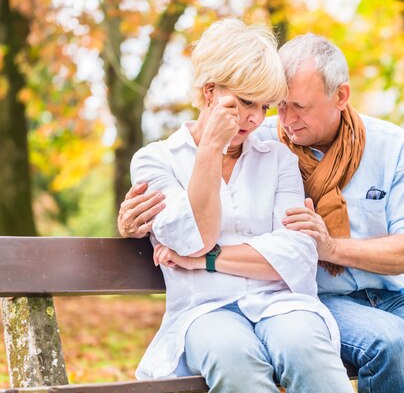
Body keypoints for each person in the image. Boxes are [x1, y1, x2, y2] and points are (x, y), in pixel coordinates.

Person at [120, 32, 404, 392]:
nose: (281, 121)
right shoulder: (263, 139)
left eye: (296, 107)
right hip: (317, 299)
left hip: (385, 295)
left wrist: (328, 247)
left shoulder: (387, 146)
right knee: (387, 341)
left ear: (341, 97)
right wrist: (134, 220)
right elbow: (180, 222)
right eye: (280, 106)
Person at [129, 19, 354, 393]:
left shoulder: (279, 159)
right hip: (204, 310)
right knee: (234, 358)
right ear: (209, 92)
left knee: (306, 348)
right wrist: (209, 153)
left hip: (279, 303)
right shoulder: (156, 161)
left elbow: (296, 252)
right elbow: (192, 239)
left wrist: (207, 261)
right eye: (245, 101)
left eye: (264, 106)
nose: (253, 118)